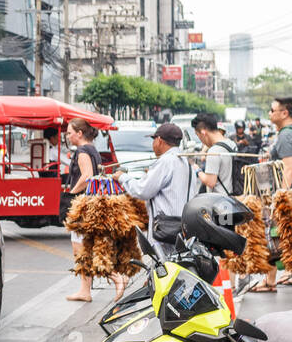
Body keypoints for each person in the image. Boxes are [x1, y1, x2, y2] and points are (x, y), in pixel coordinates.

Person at [114, 122, 197, 259]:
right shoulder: (185, 163)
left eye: (153, 140)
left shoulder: (165, 162)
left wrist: (123, 178)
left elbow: (142, 191)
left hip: (166, 229)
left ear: (159, 140)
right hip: (182, 227)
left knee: (165, 269)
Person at [252, 97, 292, 291]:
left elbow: (288, 168)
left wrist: (281, 197)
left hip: (288, 191)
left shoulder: (286, 135)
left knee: (273, 237)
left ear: (284, 113)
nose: (269, 113)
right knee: (290, 236)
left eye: (272, 110)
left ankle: (270, 281)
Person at [64, 117, 113, 302]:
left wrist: (72, 192)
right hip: (91, 202)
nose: (68, 136)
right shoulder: (92, 149)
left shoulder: (83, 151)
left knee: (80, 248)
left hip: (84, 203)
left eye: (69, 133)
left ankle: (115, 279)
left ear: (79, 133)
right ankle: (85, 289)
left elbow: (87, 176)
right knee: (84, 247)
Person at [193, 112, 234, 194]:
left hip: (219, 201)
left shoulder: (214, 151)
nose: (201, 140)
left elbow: (210, 182)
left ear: (203, 133)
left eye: (198, 135)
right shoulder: (231, 143)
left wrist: (197, 169)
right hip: (232, 197)